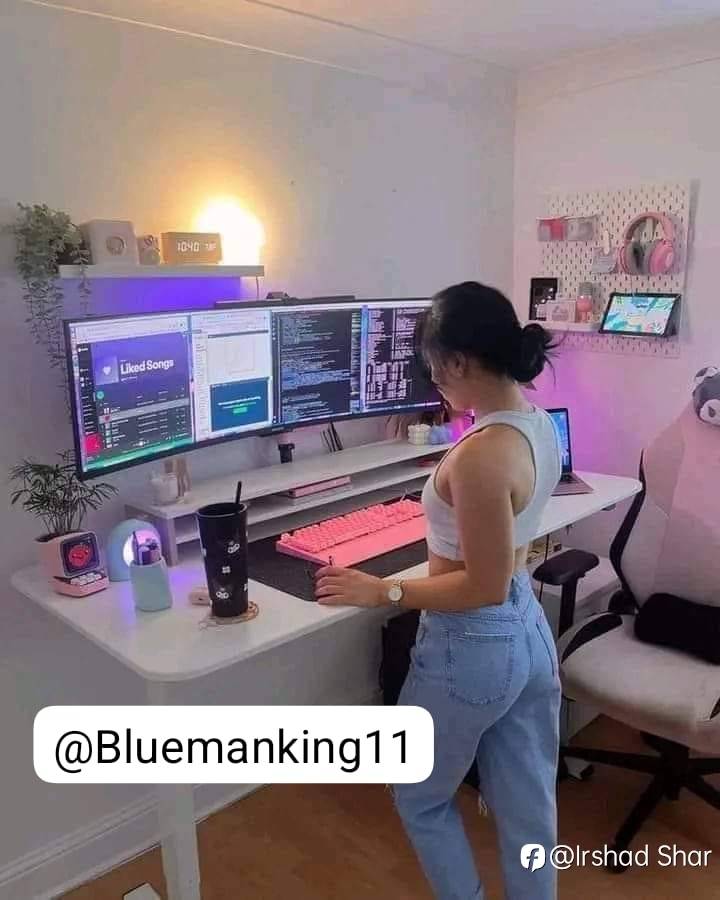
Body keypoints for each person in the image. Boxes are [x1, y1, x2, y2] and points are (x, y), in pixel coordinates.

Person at [315, 281, 563, 899]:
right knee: (528, 806)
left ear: (457, 362)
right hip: (527, 631)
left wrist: (385, 592)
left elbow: (482, 585)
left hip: (473, 643)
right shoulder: (536, 424)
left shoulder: (481, 456)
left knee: (418, 796)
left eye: (433, 369)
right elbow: (501, 569)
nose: (434, 384)